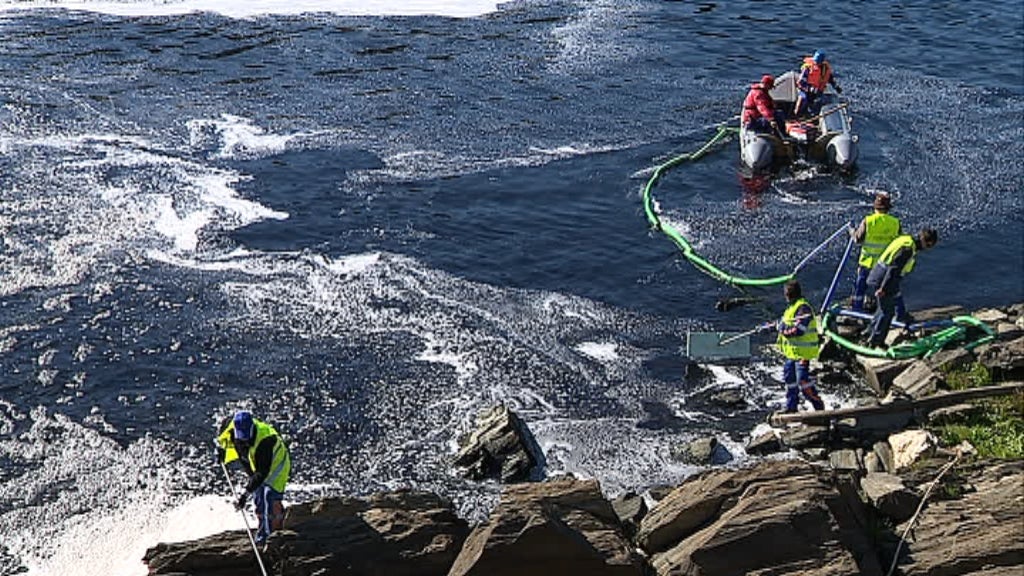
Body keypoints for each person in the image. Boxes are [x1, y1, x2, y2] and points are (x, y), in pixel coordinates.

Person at [216, 410, 292, 545]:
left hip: (276, 465)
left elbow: (262, 473)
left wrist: (245, 495)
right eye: (241, 438)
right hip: (255, 463)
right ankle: (263, 532)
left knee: (270, 498)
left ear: (252, 428)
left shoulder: (265, 441)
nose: (243, 441)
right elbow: (222, 437)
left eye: (246, 437)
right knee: (258, 500)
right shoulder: (232, 428)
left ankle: (276, 535)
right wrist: (221, 450)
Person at [864, 228, 939, 348]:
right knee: (887, 312)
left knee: (881, 309)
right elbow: (894, 269)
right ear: (926, 242)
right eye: (929, 246)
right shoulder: (908, 249)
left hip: (878, 274)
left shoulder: (905, 240)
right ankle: (875, 343)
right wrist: (883, 288)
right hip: (884, 279)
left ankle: (869, 334)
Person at [761, 280, 825, 413]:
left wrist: (781, 329)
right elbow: (784, 322)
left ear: (789, 294)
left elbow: (798, 330)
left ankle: (819, 408)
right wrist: (769, 327)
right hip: (792, 354)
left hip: (803, 354)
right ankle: (791, 408)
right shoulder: (791, 308)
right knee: (790, 380)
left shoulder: (803, 308)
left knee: (803, 381)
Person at [850, 192, 902, 313]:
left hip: (867, 263)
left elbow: (857, 239)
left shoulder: (868, 221)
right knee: (887, 288)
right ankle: (893, 312)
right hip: (884, 264)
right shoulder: (895, 223)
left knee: (860, 288)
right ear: (888, 208)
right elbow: (899, 242)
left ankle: (856, 312)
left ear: (875, 207)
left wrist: (851, 230)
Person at [793, 50, 842, 118]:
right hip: (805, 90)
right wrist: (809, 88)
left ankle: (812, 117)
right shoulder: (808, 68)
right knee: (802, 101)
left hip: (818, 91)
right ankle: (796, 116)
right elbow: (801, 82)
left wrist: (836, 87)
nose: (816, 63)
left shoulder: (826, 68)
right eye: (815, 62)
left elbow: (830, 79)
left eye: (818, 62)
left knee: (817, 103)